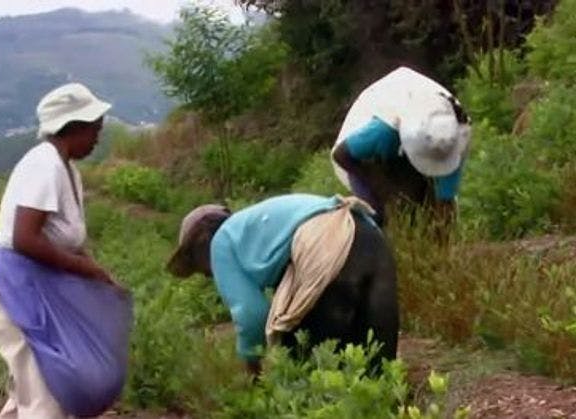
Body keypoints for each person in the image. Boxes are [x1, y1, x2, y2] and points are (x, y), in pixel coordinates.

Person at [0, 83, 132, 418]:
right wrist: (87, 271)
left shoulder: (66, 169)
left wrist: (98, 273)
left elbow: (68, 240)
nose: (97, 138)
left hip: (30, 285)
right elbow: (25, 239)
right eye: (94, 130)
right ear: (72, 128)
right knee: (47, 391)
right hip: (12, 288)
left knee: (34, 384)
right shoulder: (45, 165)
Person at [167, 194, 398, 377]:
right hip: (372, 238)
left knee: (302, 355)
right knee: (377, 366)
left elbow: (252, 315)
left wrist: (252, 368)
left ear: (200, 246)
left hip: (327, 246)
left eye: (198, 266)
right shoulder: (259, 227)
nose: (207, 275)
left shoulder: (220, 242)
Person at [331, 66, 471, 228]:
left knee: (432, 211)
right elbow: (341, 155)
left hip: (407, 141)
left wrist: (442, 238)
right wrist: (384, 194)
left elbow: (445, 201)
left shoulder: (453, 138)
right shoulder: (383, 131)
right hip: (362, 158)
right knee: (382, 216)